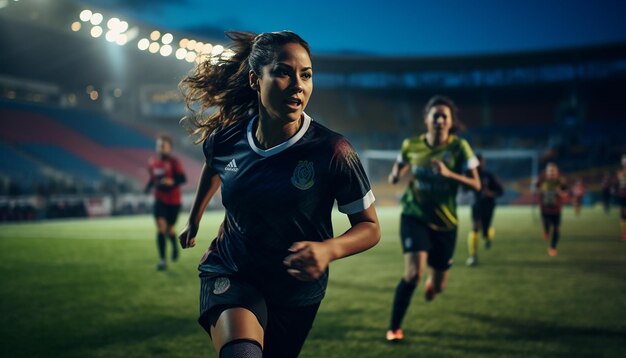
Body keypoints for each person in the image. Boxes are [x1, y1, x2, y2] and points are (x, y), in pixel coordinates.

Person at [177, 31, 380, 358]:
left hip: (295, 290)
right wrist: (194, 219)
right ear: (256, 80)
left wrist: (329, 250)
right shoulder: (227, 139)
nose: (298, 84)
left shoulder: (333, 151)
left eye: (306, 75)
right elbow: (214, 166)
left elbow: (370, 227)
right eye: (284, 72)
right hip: (232, 270)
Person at [385, 95, 481, 342]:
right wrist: (396, 175)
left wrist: (450, 174)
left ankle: (433, 284)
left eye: (444, 116)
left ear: (450, 122)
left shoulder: (459, 148)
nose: (439, 119)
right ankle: (394, 328)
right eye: (435, 115)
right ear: (426, 119)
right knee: (413, 274)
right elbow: (400, 166)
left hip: (446, 223)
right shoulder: (411, 145)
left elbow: (476, 184)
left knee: (438, 286)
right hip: (414, 215)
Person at [145, 134, 186, 270]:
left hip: (174, 201)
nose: (160, 148)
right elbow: (152, 179)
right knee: (161, 227)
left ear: (169, 148)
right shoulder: (152, 162)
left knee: (169, 229)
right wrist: (147, 187)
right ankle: (162, 260)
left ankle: (174, 246)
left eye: (163, 146)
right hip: (159, 199)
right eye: (158, 145)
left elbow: (182, 179)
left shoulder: (175, 162)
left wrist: (172, 181)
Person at [466, 154, 504, 266]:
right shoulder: (469, 175)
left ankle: (487, 237)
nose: (478, 163)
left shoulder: (488, 176)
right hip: (476, 205)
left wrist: (490, 193)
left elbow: (500, 191)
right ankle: (473, 256)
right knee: (475, 227)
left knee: (485, 230)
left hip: (488, 205)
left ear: (483, 162)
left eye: (479, 161)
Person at [536, 162, 567, 256]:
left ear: (557, 172)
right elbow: (536, 187)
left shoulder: (561, 181)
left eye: (554, 171)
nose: (552, 173)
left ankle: (553, 247)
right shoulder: (542, 179)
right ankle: (546, 231)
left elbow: (565, 194)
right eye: (550, 171)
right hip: (544, 208)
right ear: (546, 172)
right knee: (546, 224)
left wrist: (559, 192)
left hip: (556, 209)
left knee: (556, 228)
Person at [617, 154, 626, 241]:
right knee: (623, 214)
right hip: (623, 195)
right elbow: (620, 179)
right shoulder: (621, 172)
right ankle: (624, 234)